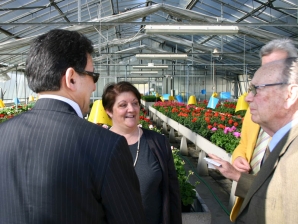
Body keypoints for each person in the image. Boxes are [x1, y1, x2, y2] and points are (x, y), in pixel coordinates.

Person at [0, 29, 147, 224]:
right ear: (71, 78)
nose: (94, 87)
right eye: (92, 76)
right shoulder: (105, 145)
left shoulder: (3, 134)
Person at [210, 57, 298, 223]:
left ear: (290, 94)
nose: (247, 98)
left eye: (257, 90)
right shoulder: (281, 142)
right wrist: (235, 174)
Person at [230, 38, 298, 221]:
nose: (248, 98)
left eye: (258, 88)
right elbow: (244, 144)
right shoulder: (255, 116)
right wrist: (237, 158)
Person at [102, 81, 182, 224]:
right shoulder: (98, 147)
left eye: (135, 103)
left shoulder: (158, 143)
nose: (131, 109)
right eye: (123, 105)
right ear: (108, 110)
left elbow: (172, 193)